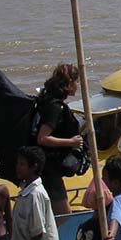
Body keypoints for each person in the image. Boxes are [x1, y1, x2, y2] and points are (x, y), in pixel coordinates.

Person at [35, 64, 85, 216]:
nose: (78, 85)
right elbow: (43, 138)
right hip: (49, 168)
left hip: (47, 165)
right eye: (76, 82)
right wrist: (72, 142)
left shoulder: (47, 99)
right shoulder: (55, 107)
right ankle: (44, 238)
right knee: (63, 213)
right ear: (69, 84)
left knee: (51, 212)